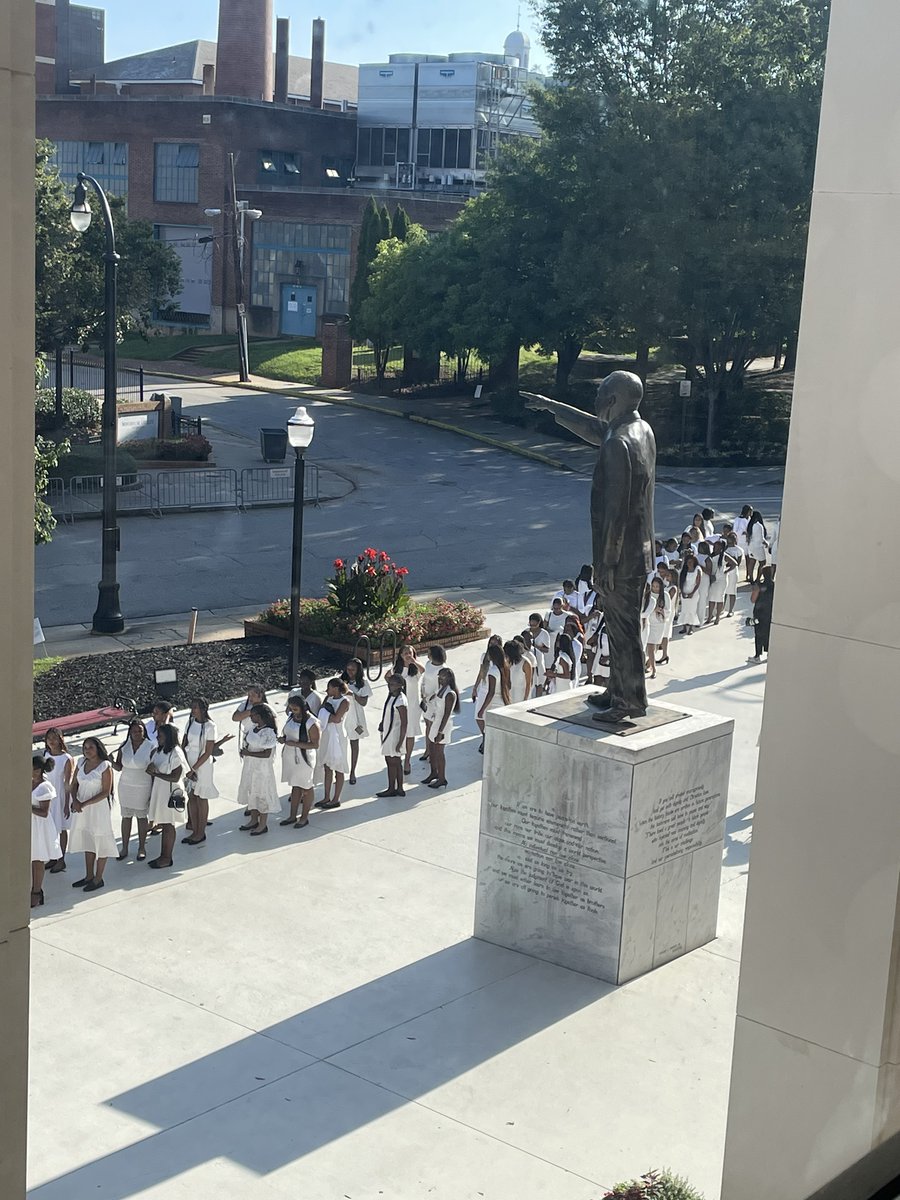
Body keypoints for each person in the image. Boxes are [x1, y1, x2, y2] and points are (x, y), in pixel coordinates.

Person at [68, 736, 117, 892]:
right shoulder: (81, 762)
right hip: (82, 808)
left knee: (101, 841)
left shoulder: (105, 766)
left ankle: (98, 878)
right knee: (88, 839)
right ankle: (89, 875)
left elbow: (105, 792)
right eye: (85, 747)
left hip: (97, 809)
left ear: (98, 748)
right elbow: (74, 783)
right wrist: (75, 800)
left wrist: (84, 803)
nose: (87, 750)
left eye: (91, 747)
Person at [182, 697, 232, 847]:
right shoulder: (190, 722)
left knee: (201, 797)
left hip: (202, 766)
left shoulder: (211, 726)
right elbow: (184, 743)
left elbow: (208, 751)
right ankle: (194, 829)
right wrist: (186, 766)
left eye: (196, 707)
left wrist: (194, 769)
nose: (193, 710)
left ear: (203, 709)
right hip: (189, 762)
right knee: (192, 797)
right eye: (192, 707)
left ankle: (200, 832)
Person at [145, 724, 189, 870]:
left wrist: (156, 774)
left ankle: (167, 857)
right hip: (161, 790)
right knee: (164, 823)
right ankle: (163, 855)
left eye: (160, 735)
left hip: (171, 792)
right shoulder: (159, 750)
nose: (157, 737)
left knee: (169, 824)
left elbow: (176, 776)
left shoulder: (176, 753)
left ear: (168, 737)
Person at [113, 719, 154, 861]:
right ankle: (124, 847)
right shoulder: (124, 746)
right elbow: (119, 767)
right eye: (134, 731)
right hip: (125, 786)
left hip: (143, 786)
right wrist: (110, 761)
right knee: (126, 816)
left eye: (140, 731)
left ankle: (142, 847)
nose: (137, 733)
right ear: (129, 732)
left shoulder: (151, 746)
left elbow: (154, 769)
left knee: (142, 817)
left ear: (144, 731)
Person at [236, 704, 281, 835]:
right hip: (250, 766)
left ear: (260, 716)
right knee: (252, 792)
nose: (250, 717)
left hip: (262, 769)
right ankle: (253, 820)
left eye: (253, 715)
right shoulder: (253, 729)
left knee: (262, 794)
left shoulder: (269, 732)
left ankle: (263, 824)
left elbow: (267, 753)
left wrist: (249, 753)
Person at [278, 695, 320, 828]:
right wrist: (284, 739)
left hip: (304, 758)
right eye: (291, 708)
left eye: (295, 709)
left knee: (306, 786)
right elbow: (288, 732)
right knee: (295, 786)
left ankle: (304, 817)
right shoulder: (292, 717)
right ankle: (292, 816)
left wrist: (295, 744)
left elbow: (315, 744)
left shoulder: (312, 723)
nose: (292, 711)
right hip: (291, 757)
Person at [316, 678, 351, 810]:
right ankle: (326, 796)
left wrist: (325, 716)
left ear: (336, 688)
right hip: (327, 735)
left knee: (338, 766)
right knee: (327, 766)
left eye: (329, 687)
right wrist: (325, 716)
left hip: (338, 736)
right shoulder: (328, 699)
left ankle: (336, 798)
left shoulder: (344, 701)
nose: (327, 690)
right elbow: (321, 712)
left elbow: (337, 719)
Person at [31, 753, 61, 908]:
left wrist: (27, 807)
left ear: (41, 770)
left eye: (35, 769)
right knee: (30, 859)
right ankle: (32, 888)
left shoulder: (45, 786)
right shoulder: (28, 782)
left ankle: (37, 891)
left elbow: (44, 812)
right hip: (29, 824)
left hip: (40, 827)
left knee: (37, 860)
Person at [43, 727, 73, 874]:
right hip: (48, 796)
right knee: (50, 828)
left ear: (60, 739)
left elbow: (68, 782)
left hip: (60, 796)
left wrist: (67, 803)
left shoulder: (66, 758)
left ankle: (61, 859)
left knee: (61, 828)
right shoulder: (46, 755)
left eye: (54, 738)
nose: (52, 741)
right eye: (49, 738)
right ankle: (53, 857)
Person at [423, 667, 459, 789]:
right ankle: (434, 773)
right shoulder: (441, 690)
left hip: (443, 725)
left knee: (439, 752)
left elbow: (447, 714)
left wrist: (440, 731)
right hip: (436, 721)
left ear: (449, 678)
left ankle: (442, 778)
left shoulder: (450, 694)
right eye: (439, 676)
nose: (440, 678)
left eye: (442, 676)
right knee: (432, 749)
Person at [392, 645, 425, 776]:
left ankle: (407, 761)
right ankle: (398, 758)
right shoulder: (396, 669)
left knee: (410, 733)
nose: (407, 655)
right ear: (400, 655)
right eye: (405, 653)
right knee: (399, 731)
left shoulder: (415, 669)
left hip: (412, 706)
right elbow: (387, 677)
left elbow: (423, 670)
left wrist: (413, 661)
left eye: (409, 653)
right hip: (399, 705)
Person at [146, 700, 176, 834]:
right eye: (153, 712)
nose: (154, 715)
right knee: (151, 793)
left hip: (162, 764)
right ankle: (152, 820)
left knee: (160, 794)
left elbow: (169, 737)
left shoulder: (171, 728)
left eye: (157, 713)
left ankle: (160, 822)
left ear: (165, 714)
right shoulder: (149, 725)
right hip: (149, 763)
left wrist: (168, 718)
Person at [377, 674, 409, 798]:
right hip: (388, 732)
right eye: (390, 684)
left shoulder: (401, 701)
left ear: (400, 686)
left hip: (395, 734)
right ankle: (394, 787)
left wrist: (400, 742)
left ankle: (396, 788)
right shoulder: (391, 696)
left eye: (393, 684)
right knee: (391, 761)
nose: (390, 686)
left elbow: (404, 723)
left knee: (394, 761)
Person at [475, 642, 511, 750]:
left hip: (493, 705)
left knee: (491, 734)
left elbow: (491, 693)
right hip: (502, 702)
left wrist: (482, 709)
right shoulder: (505, 667)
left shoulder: (492, 672)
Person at [342, 658, 372, 786]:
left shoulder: (363, 683)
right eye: (348, 669)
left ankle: (353, 771)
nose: (350, 672)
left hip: (355, 717)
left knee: (354, 743)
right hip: (342, 716)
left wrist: (352, 693)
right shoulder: (342, 680)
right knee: (340, 744)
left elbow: (364, 702)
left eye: (353, 670)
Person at [419, 645, 446, 763]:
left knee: (433, 726)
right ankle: (428, 749)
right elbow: (424, 679)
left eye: (429, 653)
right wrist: (422, 693)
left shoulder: (443, 669)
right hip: (426, 699)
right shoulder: (428, 664)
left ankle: (433, 751)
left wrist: (431, 697)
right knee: (427, 725)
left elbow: (443, 687)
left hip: (436, 701)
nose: (427, 655)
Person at [644, 577, 672, 679]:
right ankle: (653, 669)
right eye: (653, 586)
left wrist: (661, 611)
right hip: (649, 622)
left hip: (659, 624)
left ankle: (649, 664)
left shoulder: (665, 595)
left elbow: (669, 610)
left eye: (657, 586)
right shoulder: (648, 595)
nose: (655, 588)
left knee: (654, 646)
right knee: (650, 646)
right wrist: (653, 609)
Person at [748, 566, 775, 664]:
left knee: (758, 634)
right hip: (770, 612)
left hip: (759, 612)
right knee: (769, 633)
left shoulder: (759, 586)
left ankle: (757, 656)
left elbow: (752, 600)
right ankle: (769, 654)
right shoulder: (775, 585)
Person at [527, 613, 552, 696]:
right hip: (528, 659)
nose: (533, 624)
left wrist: (535, 646)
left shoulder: (544, 633)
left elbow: (547, 649)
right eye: (531, 622)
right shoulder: (525, 632)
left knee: (539, 683)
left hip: (539, 660)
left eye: (535, 623)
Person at [679, 554, 703, 634]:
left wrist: (692, 593)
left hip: (694, 592)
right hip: (685, 591)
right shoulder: (684, 570)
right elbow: (681, 582)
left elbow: (698, 583)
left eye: (691, 562)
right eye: (688, 562)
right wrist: (682, 592)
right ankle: (684, 627)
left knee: (692, 610)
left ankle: (691, 628)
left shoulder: (697, 569)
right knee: (684, 610)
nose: (689, 564)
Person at [505, 639, 533, 703]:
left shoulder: (525, 663)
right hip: (511, 695)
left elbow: (528, 684)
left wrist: (525, 700)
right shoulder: (509, 662)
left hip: (521, 696)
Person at [746, 511, 769, 584]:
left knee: (752, 562)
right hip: (758, 547)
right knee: (762, 562)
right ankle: (758, 579)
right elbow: (761, 538)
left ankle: (751, 578)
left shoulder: (750, 525)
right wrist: (766, 543)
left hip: (751, 546)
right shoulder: (759, 526)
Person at [724, 533, 743, 616]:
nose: (730, 541)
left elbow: (737, 563)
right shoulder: (724, 549)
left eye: (732, 539)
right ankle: (722, 608)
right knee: (724, 590)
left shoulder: (739, 550)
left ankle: (731, 610)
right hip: (724, 571)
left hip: (733, 572)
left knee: (732, 591)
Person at [733, 504, 753, 576]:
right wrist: (743, 532)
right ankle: (734, 573)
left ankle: (748, 574)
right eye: (750, 511)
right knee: (739, 558)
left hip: (748, 542)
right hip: (740, 541)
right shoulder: (738, 520)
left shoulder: (750, 519)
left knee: (749, 558)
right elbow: (735, 531)